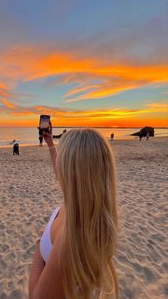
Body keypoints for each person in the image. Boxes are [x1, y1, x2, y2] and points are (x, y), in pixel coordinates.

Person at [29, 122, 118, 299]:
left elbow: (35, 296)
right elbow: (60, 174)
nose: (59, 167)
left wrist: (40, 242)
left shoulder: (71, 238)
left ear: (71, 172)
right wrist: (50, 145)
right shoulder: (86, 207)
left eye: (63, 160)